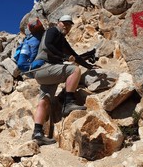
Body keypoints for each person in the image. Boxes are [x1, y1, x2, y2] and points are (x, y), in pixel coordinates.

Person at [31, 15, 95, 145]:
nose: (66, 26)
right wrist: (64, 57)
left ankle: (37, 133)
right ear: (58, 23)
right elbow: (48, 46)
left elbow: (75, 56)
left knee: (44, 101)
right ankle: (69, 102)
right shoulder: (52, 31)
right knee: (74, 70)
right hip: (44, 68)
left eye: (69, 24)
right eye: (64, 23)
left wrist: (90, 66)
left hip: (45, 73)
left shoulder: (62, 41)